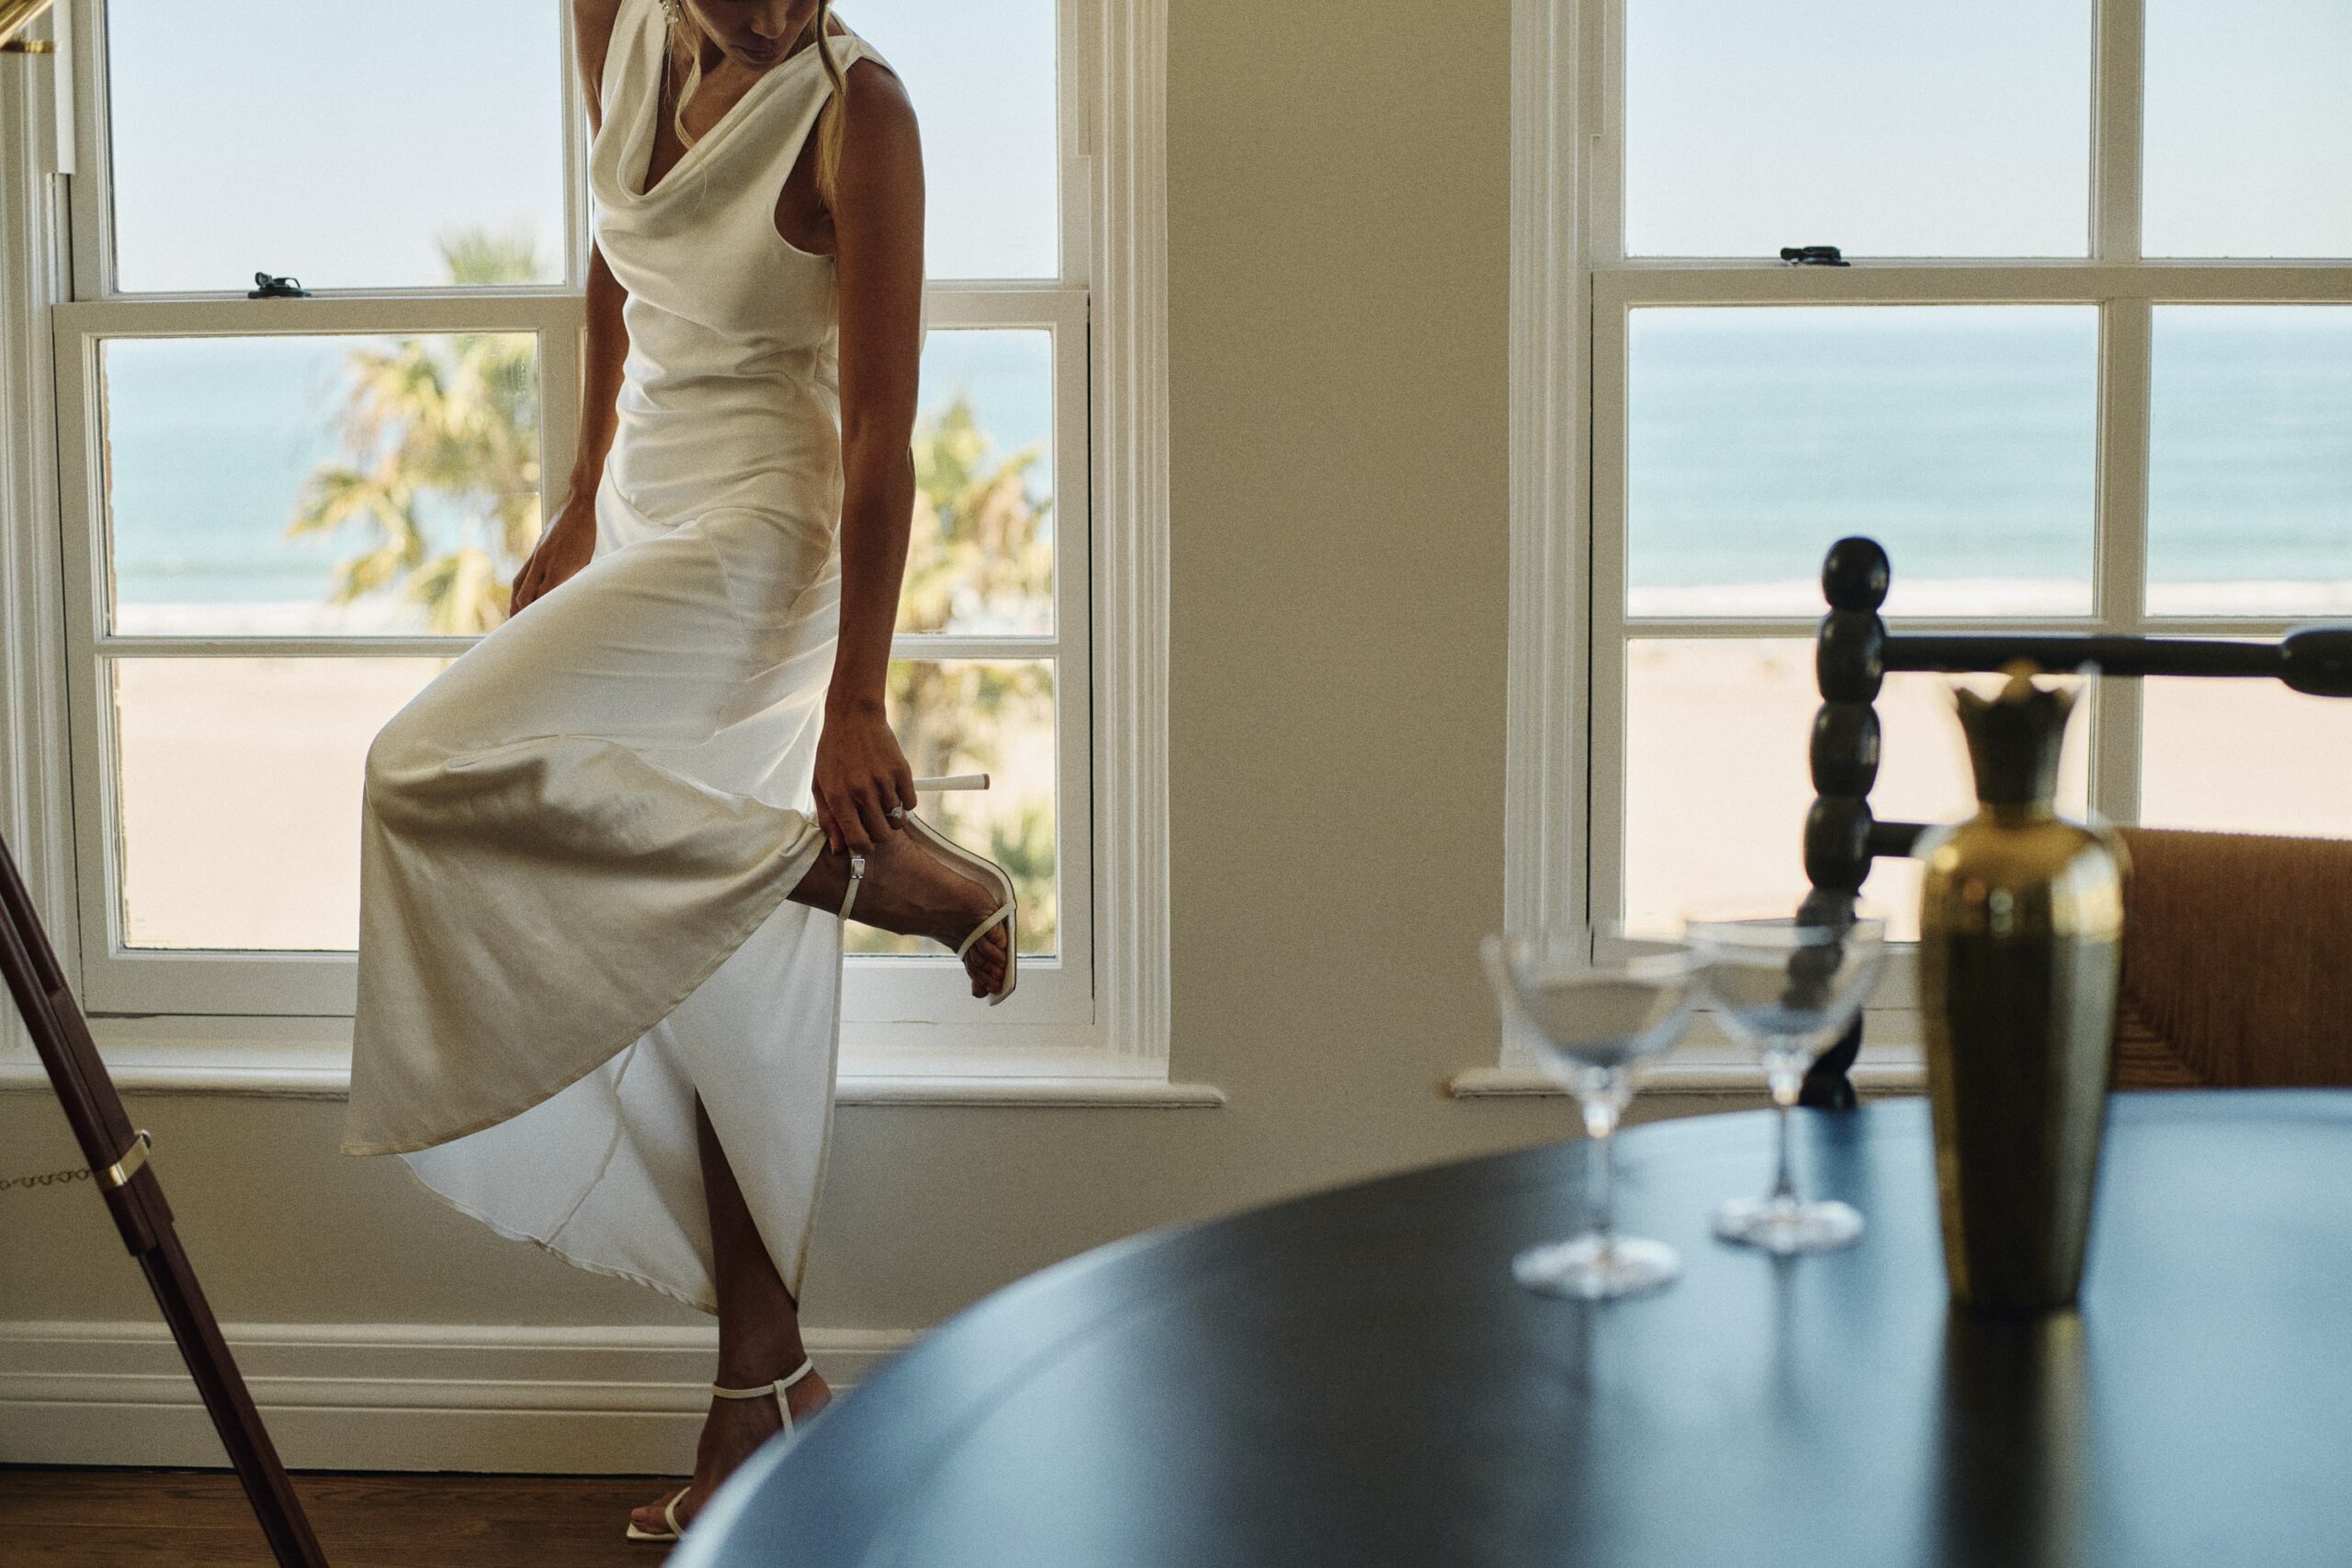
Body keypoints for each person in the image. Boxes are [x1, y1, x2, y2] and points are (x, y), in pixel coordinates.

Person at [339, 0, 1014, 1541]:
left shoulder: (862, 113)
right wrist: (578, 496)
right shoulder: (615, 24)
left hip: (766, 542)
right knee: (697, 968)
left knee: (418, 764)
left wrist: (859, 697)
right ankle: (760, 1394)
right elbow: (614, 246)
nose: (773, 10)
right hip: (646, 516)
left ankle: (860, 867)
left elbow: (881, 433)